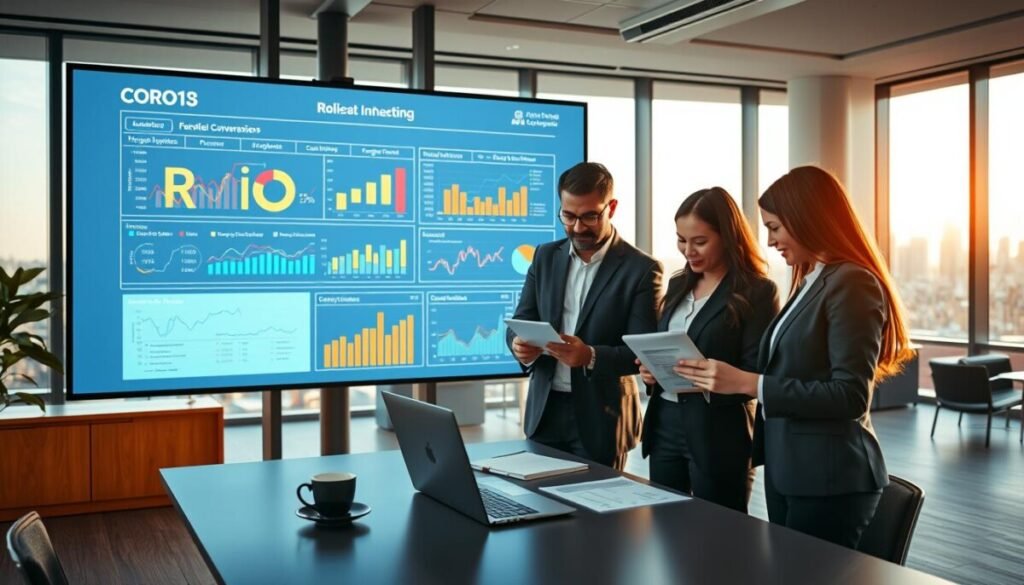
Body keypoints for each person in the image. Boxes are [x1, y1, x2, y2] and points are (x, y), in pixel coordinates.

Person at [674, 165, 913, 548]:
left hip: (830, 478)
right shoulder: (810, 280)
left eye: (775, 227)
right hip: (792, 472)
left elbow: (851, 396)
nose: (769, 241)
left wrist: (749, 383)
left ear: (808, 220)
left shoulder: (851, 282)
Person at [507, 162, 662, 470]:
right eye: (568, 216)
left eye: (589, 216)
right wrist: (518, 346)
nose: (577, 227)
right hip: (545, 411)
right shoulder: (545, 256)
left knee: (597, 516)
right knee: (542, 509)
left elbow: (641, 352)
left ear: (611, 208)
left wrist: (589, 356)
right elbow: (520, 320)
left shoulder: (641, 269)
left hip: (601, 419)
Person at [638, 187, 778, 513]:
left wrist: (710, 377)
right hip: (665, 426)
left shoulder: (757, 292)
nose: (689, 250)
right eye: (681, 240)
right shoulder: (677, 285)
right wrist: (651, 372)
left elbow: (757, 372)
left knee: (717, 539)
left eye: (699, 241)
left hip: (718, 433)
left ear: (728, 237)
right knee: (665, 529)